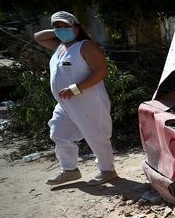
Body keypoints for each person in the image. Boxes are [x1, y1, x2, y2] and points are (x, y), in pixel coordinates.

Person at [34, 11, 117, 186]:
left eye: (66, 26)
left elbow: (101, 71)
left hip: (88, 101)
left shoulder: (85, 46)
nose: (61, 30)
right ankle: (69, 170)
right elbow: (38, 37)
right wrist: (58, 30)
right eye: (57, 27)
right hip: (65, 104)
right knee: (58, 132)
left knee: (96, 135)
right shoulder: (59, 46)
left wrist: (76, 88)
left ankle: (107, 170)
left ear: (77, 27)